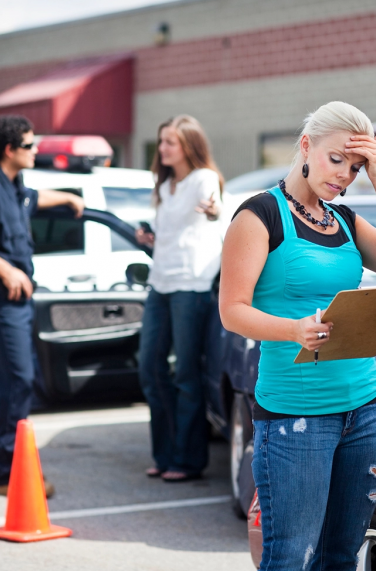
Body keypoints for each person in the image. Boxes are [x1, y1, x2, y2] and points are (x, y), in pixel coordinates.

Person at [220, 101, 376, 570]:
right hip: (297, 415)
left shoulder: (343, 220)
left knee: (341, 557)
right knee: (292, 558)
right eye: (337, 160)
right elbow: (232, 311)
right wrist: (295, 329)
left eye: (355, 167)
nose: (344, 176)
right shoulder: (260, 215)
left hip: (363, 409)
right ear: (306, 146)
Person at [0, 115, 85, 497]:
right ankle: (14, 471)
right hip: (2, 300)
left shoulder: (13, 186)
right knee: (20, 379)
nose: (36, 151)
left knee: (2, 379)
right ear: (10, 150)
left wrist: (66, 197)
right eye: (30, 146)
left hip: (18, 302)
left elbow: (33, 200)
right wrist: (9, 272)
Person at [136, 115, 223, 483]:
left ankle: (187, 460)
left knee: (186, 373)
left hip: (192, 285)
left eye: (170, 141)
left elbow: (217, 210)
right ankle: (165, 453)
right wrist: (151, 238)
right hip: (160, 282)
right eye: (161, 142)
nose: (163, 148)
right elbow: (171, 232)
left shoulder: (204, 179)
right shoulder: (166, 184)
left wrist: (215, 209)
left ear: (188, 144)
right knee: (150, 367)